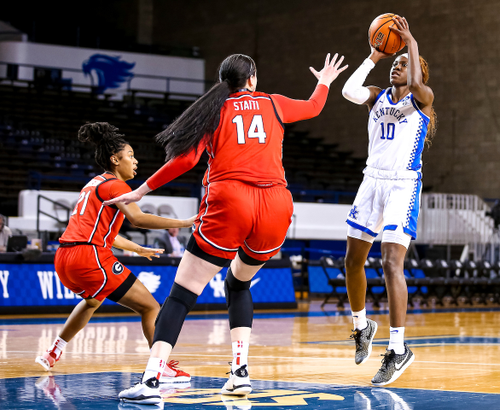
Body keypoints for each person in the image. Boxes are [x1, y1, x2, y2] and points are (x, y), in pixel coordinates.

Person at [105, 52, 348, 404]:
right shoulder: (274, 103)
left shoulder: (213, 111)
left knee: (182, 294)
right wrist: (324, 81)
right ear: (252, 78)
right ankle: (239, 373)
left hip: (231, 199)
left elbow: (186, 160)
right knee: (238, 282)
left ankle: (152, 379)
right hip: (276, 205)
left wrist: (141, 190)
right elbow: (312, 107)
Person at [35, 122, 195, 384]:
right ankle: (160, 369)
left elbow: (106, 233)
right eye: (130, 156)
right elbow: (138, 219)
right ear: (114, 159)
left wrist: (138, 249)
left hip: (64, 258)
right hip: (89, 257)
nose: (135, 161)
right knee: (150, 307)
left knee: (92, 301)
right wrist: (185, 223)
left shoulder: (93, 184)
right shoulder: (116, 186)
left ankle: (53, 352)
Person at [341, 16, 436, 386]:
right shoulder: (376, 97)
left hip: (402, 186)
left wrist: (410, 42)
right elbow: (349, 90)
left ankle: (398, 349)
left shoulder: (422, 99)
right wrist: (375, 56)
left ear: (417, 72)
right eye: (396, 63)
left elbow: (415, 81)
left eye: (404, 64)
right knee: (353, 260)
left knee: (391, 262)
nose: (398, 67)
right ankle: (362, 326)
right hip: (371, 182)